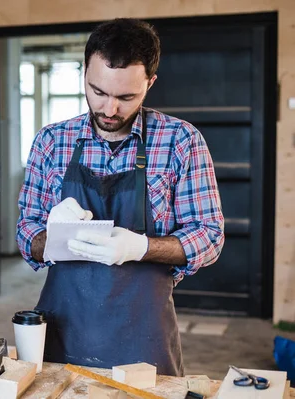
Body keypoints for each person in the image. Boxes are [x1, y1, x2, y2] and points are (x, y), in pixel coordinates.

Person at [16, 18, 224, 377]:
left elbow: (209, 235)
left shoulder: (181, 141)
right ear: (85, 74)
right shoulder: (52, 142)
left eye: (126, 97)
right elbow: (26, 235)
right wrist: (52, 233)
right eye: (98, 91)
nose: (110, 109)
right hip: (64, 328)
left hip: (143, 335)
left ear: (150, 83)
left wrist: (140, 247)